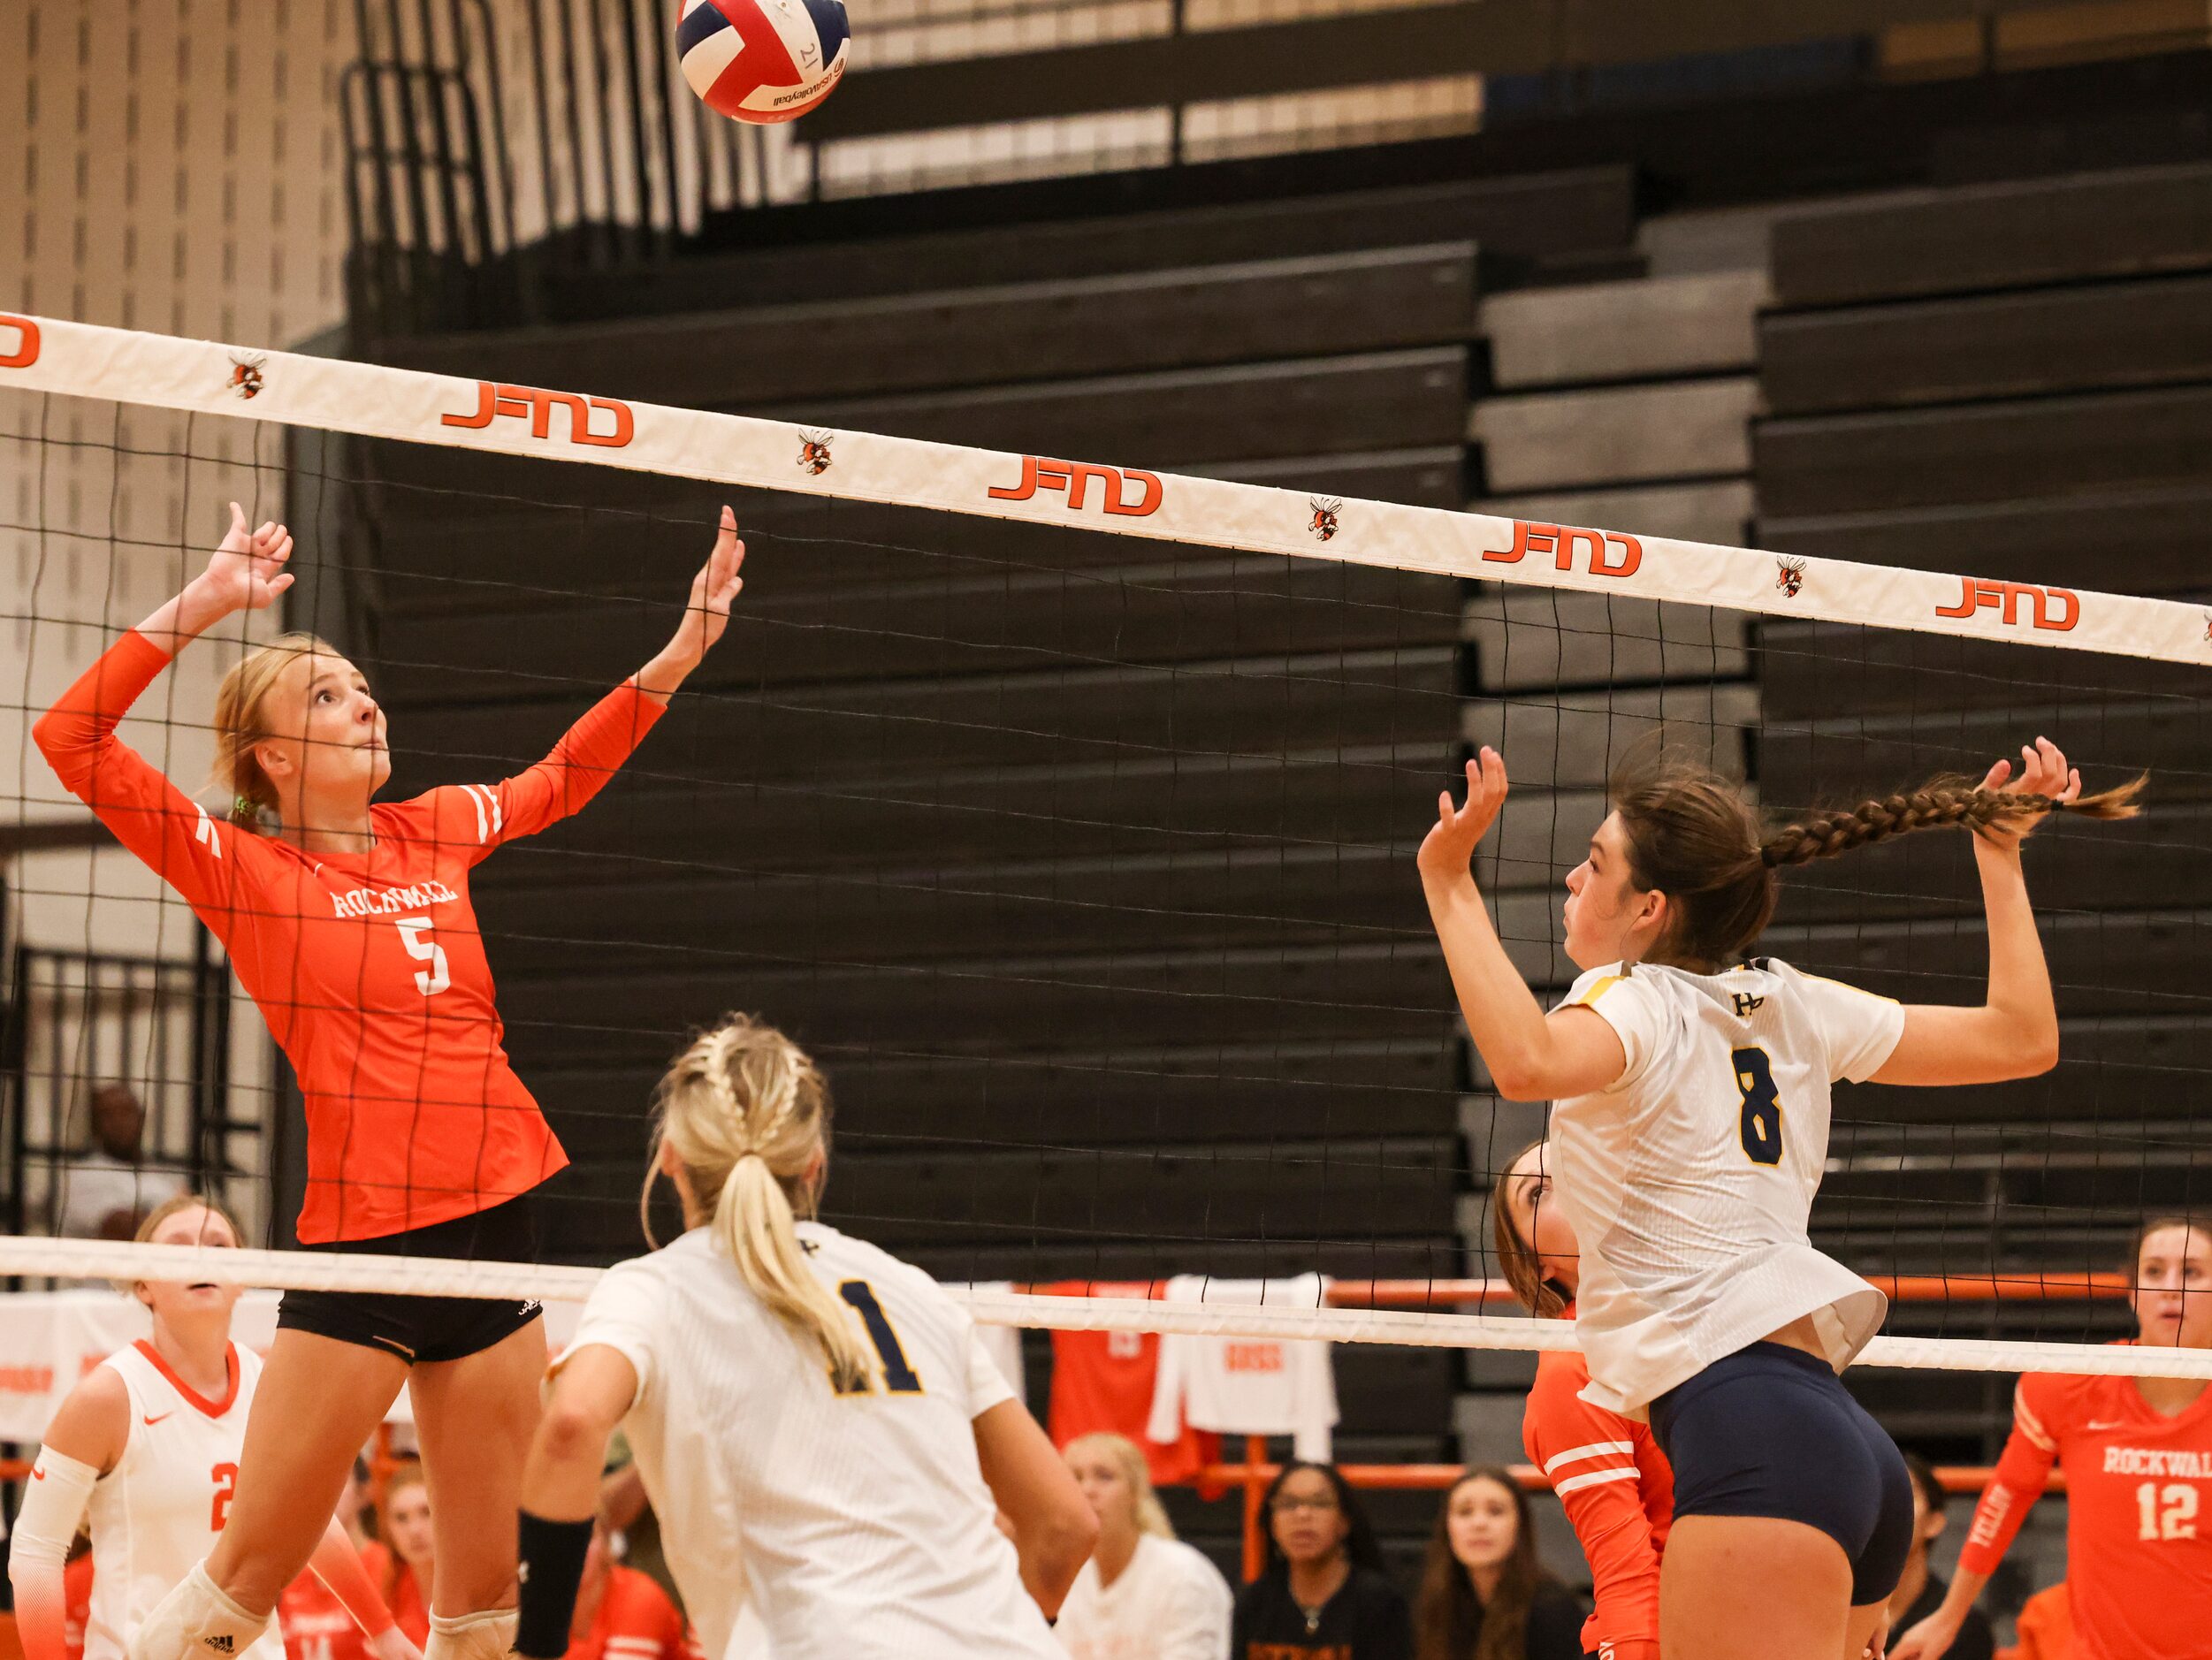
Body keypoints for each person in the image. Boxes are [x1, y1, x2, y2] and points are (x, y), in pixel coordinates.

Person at [33, 500, 745, 1660]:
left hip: (499, 1212)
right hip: (368, 1241)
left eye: (362, 686)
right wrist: (207, 602)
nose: (363, 702)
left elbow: (563, 776)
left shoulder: (437, 828)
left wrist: (680, 650)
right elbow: (70, 738)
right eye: (324, 695)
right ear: (272, 757)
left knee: (483, 1603)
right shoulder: (243, 865)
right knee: (245, 1579)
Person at [1416, 736, 2138, 1660]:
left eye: (1592, 864)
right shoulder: (1791, 1001)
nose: (1569, 879)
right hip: (1840, 1444)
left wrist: (1448, 883)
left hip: (1751, 1433)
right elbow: (2023, 1038)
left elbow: (1524, 1063)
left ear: (1648, 908)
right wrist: (1999, 860)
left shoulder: (1638, 1000)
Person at [512, 1013, 1096, 1660]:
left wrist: (534, 1648)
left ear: (670, 1154)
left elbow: (571, 1424)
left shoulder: (654, 1289)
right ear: (814, 1164)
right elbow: (1065, 1526)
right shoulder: (911, 1289)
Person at [6, 1196, 414, 1660]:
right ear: (143, 1285)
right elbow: (35, 1554)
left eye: (218, 1244)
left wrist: (381, 1630)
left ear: (240, 1280)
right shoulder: (108, 1397)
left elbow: (305, 1524)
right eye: (179, 1246)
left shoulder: (267, 1383)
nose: (201, 1254)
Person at [1893, 1215, 2212, 1660]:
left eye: (2191, 1271)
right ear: (2132, 1291)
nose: (2171, 1286)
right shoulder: (2071, 1385)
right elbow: (2005, 1499)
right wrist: (1949, 1616)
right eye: (2154, 1271)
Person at [1492, 1138, 1673, 1660]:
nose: (1569, 1181)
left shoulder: (1712, 1306)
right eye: (1538, 1192)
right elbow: (1625, 1563)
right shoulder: (1572, 1367)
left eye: (1580, 1161)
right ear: (1538, 1265)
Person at [1055, 1432, 1232, 1660]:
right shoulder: (1066, 1581)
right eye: (1075, 1478)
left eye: (1104, 1476)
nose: (1087, 1489)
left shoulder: (1183, 1575)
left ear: (1136, 1493)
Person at [1231, 1462, 1413, 1660]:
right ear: (1272, 1524)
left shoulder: (1381, 1603)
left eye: (1320, 1503)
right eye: (1288, 1504)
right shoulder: (1254, 1604)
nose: (1303, 1514)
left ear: (1344, 1521)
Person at [1414, 1467, 1585, 1660]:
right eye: (1465, 1512)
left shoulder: (1553, 1610)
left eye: (1495, 1511)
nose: (1479, 1523)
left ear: (1520, 1526)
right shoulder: (1439, 1601)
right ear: (1446, 1527)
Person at [1882, 1456, 1993, 1660]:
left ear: (1934, 1522)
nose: (1888, 1508)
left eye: (1906, 1494)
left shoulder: (1964, 1627)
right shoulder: (1833, 1611)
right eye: (1879, 1495)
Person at [278, 1463, 385, 1660]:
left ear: (364, 1492)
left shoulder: (387, 1565)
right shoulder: (289, 1569)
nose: (324, 1493)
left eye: (338, 1480)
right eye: (313, 1484)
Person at [55, 1083, 184, 1239]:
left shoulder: (166, 1172)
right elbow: (122, 1229)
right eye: (107, 1115)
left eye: (126, 1112)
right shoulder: (82, 1176)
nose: (119, 1122)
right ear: (94, 1126)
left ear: (142, 1118)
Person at [560, 1521, 688, 1660]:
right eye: (557, 1541)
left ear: (606, 1543)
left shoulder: (638, 1596)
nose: (573, 1552)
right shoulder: (543, 1604)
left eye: (586, 1537)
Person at [358, 1464, 435, 1650]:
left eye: (426, 1512)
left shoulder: (477, 1590)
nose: (414, 1530)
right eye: (401, 1518)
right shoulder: (385, 1587)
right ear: (388, 1528)